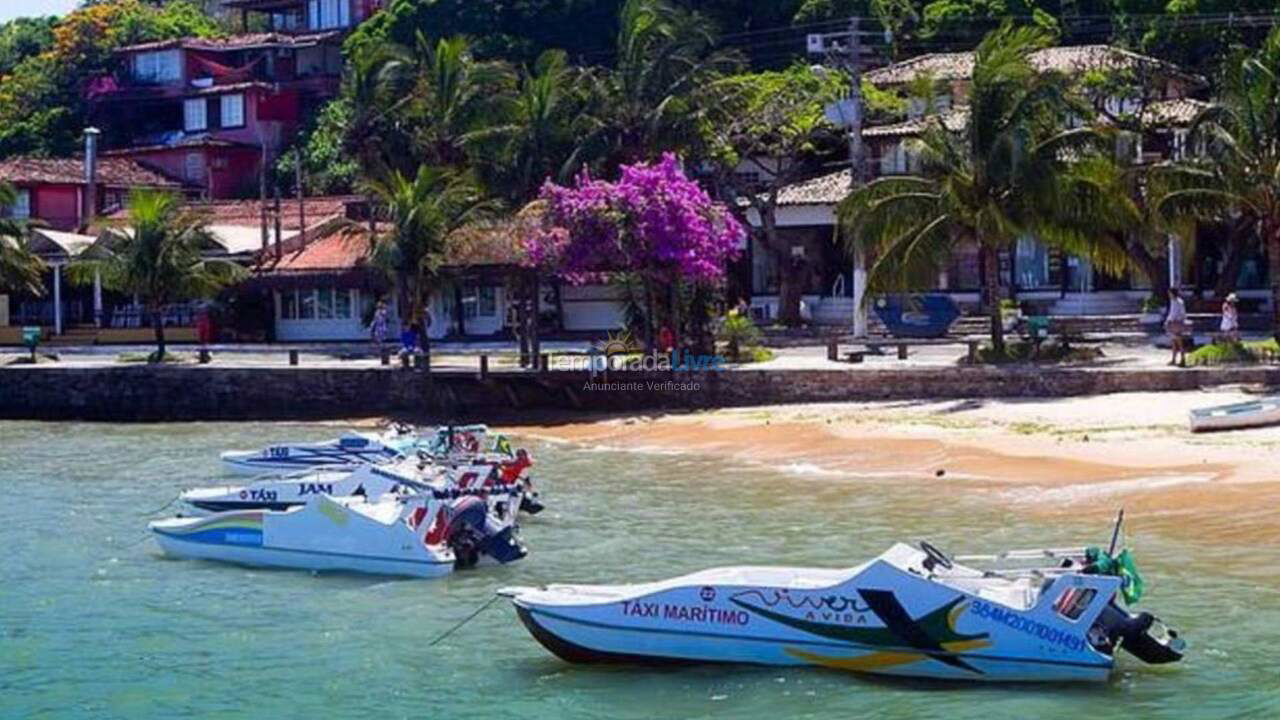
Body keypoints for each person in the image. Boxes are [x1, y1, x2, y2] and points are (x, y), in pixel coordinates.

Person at [1165, 287, 1189, 367]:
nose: (1169, 295)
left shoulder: (1177, 302)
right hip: (1175, 323)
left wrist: (1171, 320)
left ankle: (1183, 359)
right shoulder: (1175, 301)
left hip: (1176, 323)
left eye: (1170, 293)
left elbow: (1177, 313)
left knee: (1179, 342)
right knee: (1174, 342)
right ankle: (1174, 359)